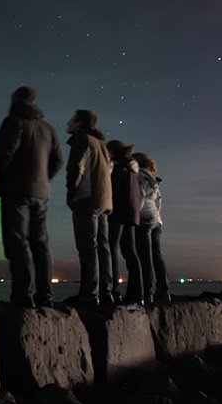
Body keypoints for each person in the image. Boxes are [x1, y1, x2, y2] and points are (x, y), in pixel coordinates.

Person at [0, 86, 64, 308]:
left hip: (17, 191)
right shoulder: (48, 128)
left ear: (15, 99)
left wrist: (0, 179)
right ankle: (46, 296)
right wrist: (45, 179)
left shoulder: (15, 121)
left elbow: (6, 152)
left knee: (18, 241)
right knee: (41, 243)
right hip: (41, 192)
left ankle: (24, 296)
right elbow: (58, 160)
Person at [66, 109, 113, 306]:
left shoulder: (82, 140)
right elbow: (110, 169)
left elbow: (77, 167)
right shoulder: (102, 145)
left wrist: (72, 192)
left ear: (79, 123)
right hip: (104, 200)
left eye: (72, 119)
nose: (68, 122)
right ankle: (106, 293)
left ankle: (90, 295)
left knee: (87, 248)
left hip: (87, 199)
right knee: (102, 247)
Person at [107, 140, 144, 307]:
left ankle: (113, 289)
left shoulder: (118, 167)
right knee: (131, 252)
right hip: (132, 213)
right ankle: (139, 293)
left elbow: (112, 189)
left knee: (112, 248)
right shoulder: (133, 168)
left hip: (118, 211)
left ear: (113, 151)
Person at [133, 152, 170, 307]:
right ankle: (164, 290)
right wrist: (157, 216)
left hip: (144, 220)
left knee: (145, 258)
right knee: (157, 256)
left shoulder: (138, 176)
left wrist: (137, 216)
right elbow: (158, 202)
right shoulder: (154, 179)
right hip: (156, 220)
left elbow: (139, 198)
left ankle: (147, 293)